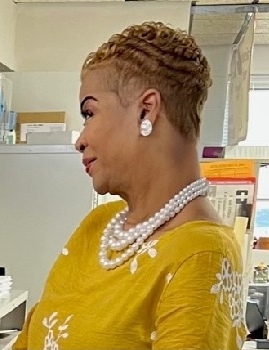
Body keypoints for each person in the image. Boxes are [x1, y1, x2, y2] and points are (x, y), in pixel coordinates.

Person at [13, 22, 247, 349]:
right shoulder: (98, 227)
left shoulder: (201, 255)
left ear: (145, 111)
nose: (80, 140)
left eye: (89, 113)